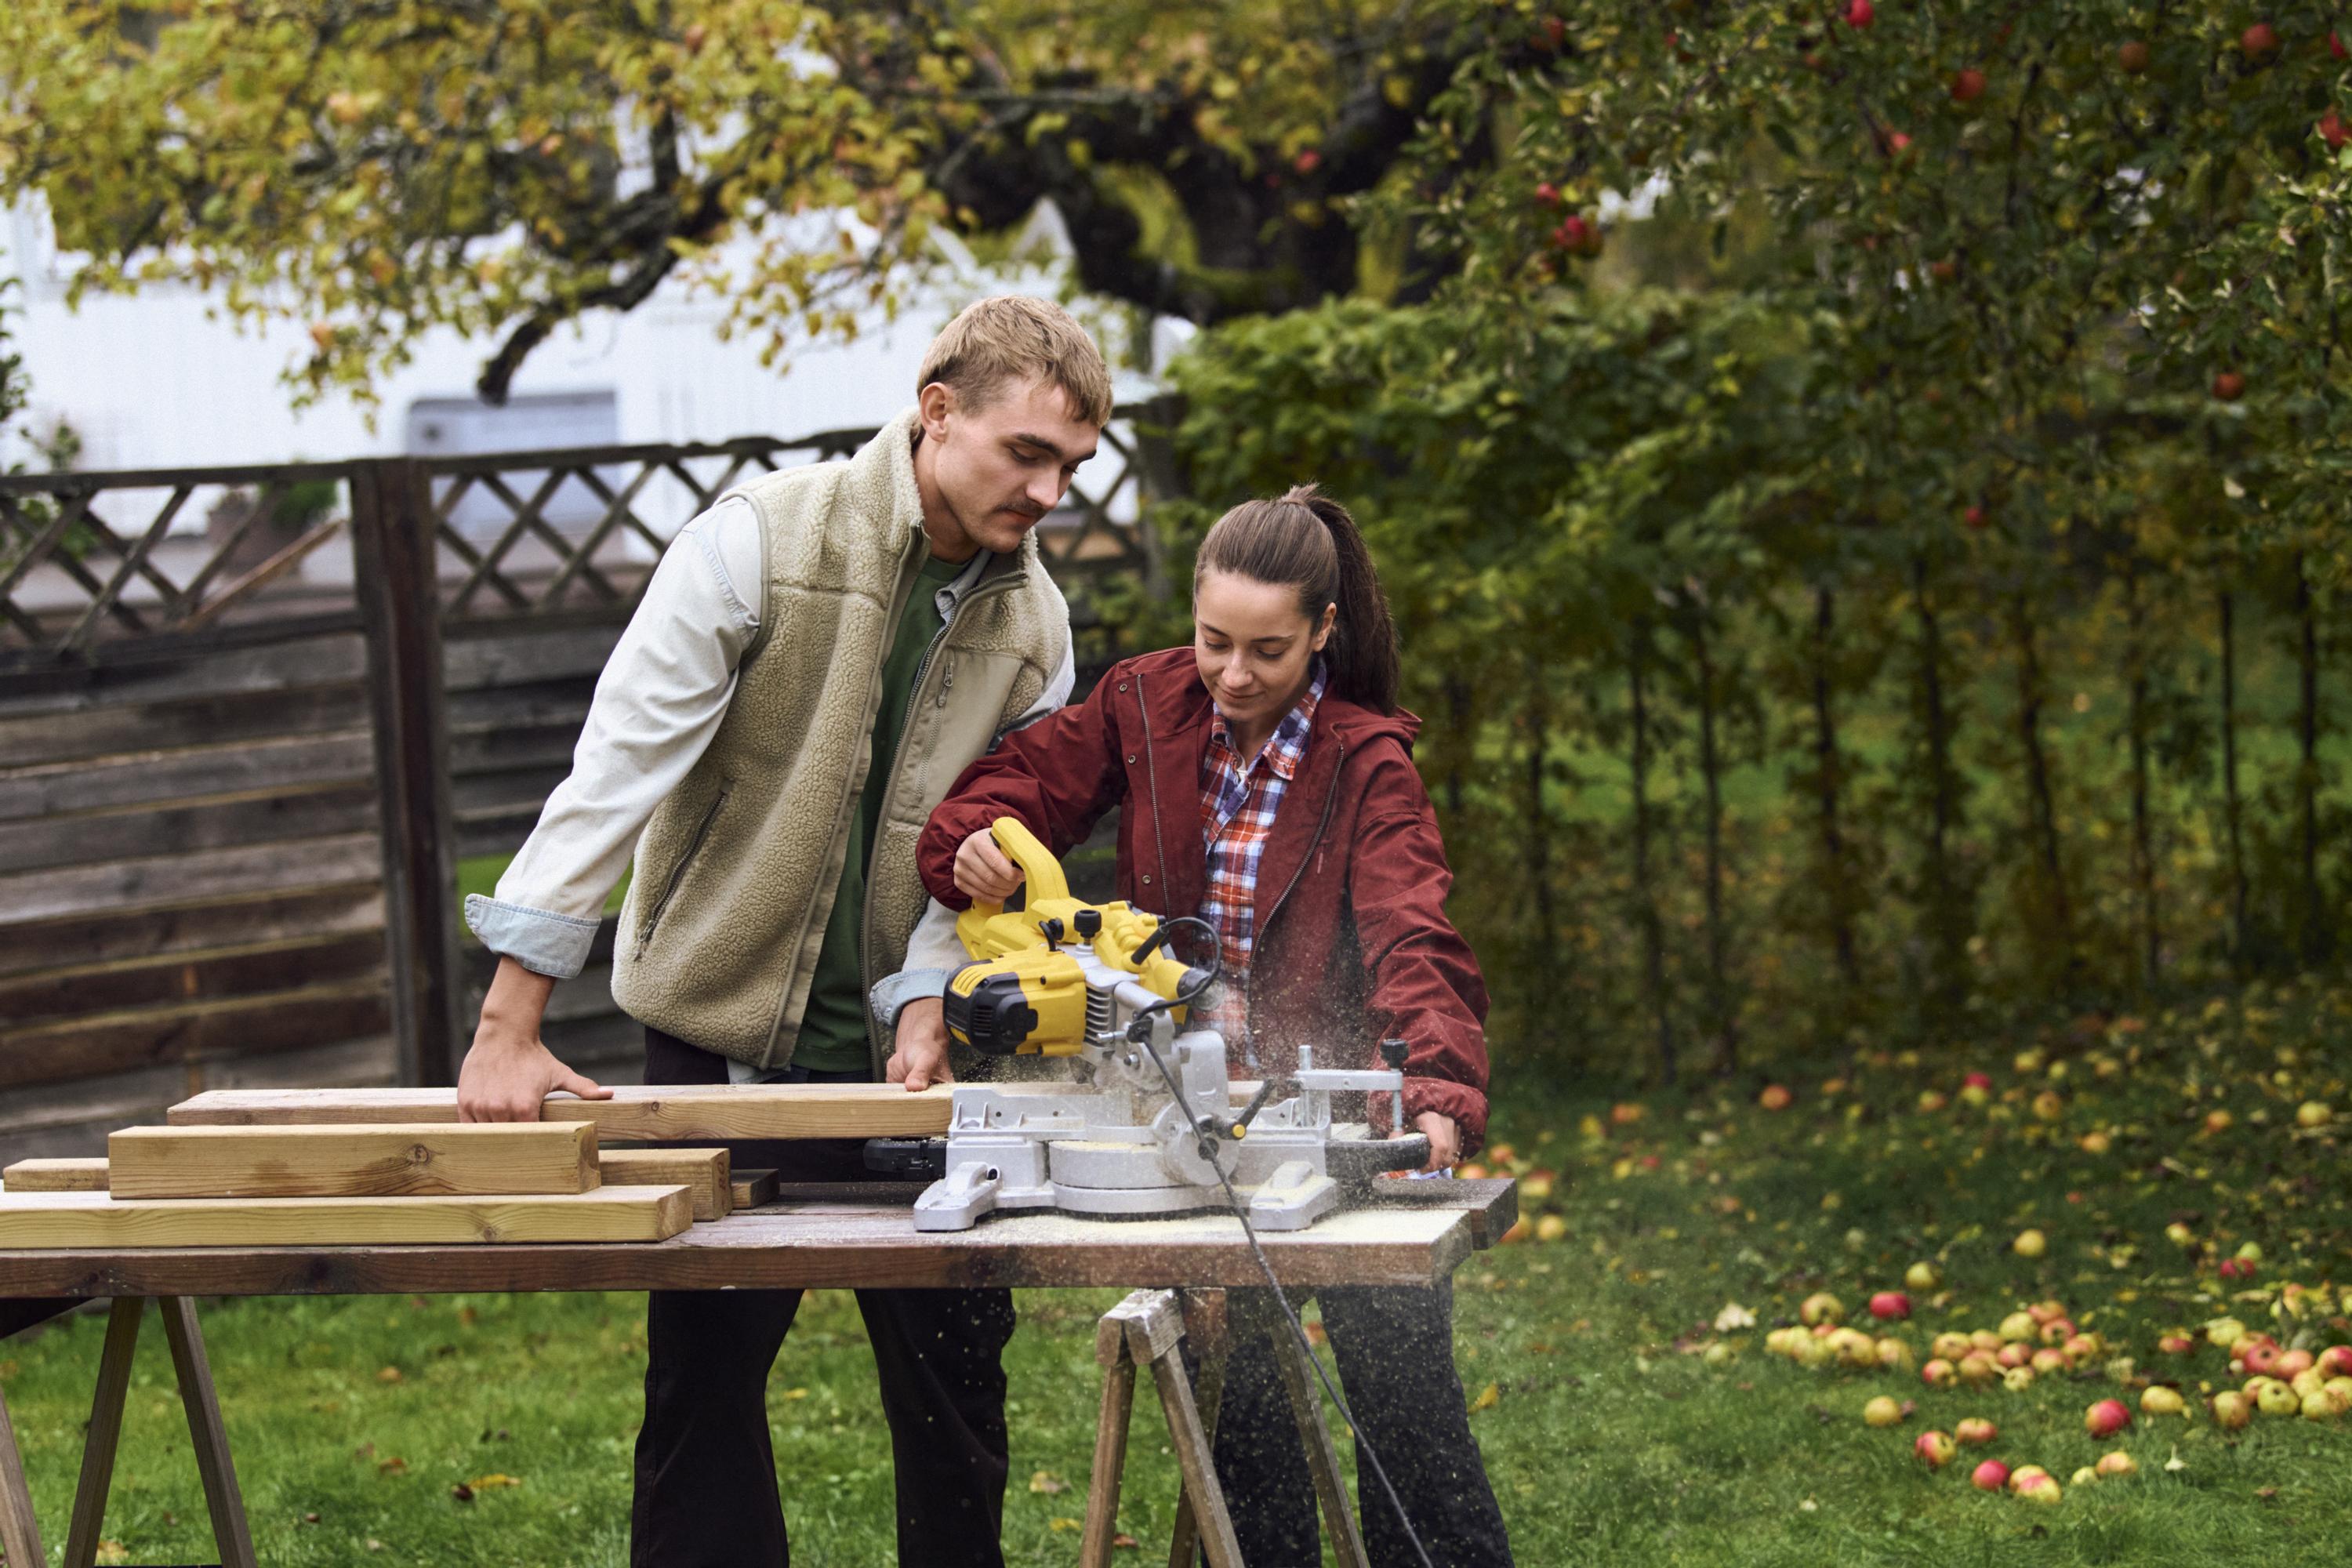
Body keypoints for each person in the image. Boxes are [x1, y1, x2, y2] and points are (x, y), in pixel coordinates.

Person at [452, 294, 1113, 1568]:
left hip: (924, 1077)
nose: (1048, 492)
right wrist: (508, 1020)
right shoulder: (755, 544)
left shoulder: (1037, 630)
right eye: (1024, 454)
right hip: (719, 1046)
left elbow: (980, 858)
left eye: (1070, 468)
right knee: (700, 1401)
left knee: (957, 1406)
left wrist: (928, 994)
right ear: (937, 412)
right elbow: (614, 776)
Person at [901, 485, 1513, 1567]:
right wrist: (972, 841)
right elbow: (1013, 787)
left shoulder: (1366, 762)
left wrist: (1437, 1097)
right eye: (1213, 641)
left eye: (1268, 650)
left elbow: (1416, 937)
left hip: (1343, 1123)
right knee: (1248, 1428)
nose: (1233, 674)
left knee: (1403, 1403)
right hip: (1194, 1123)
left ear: (1323, 631)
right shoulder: (1143, 705)